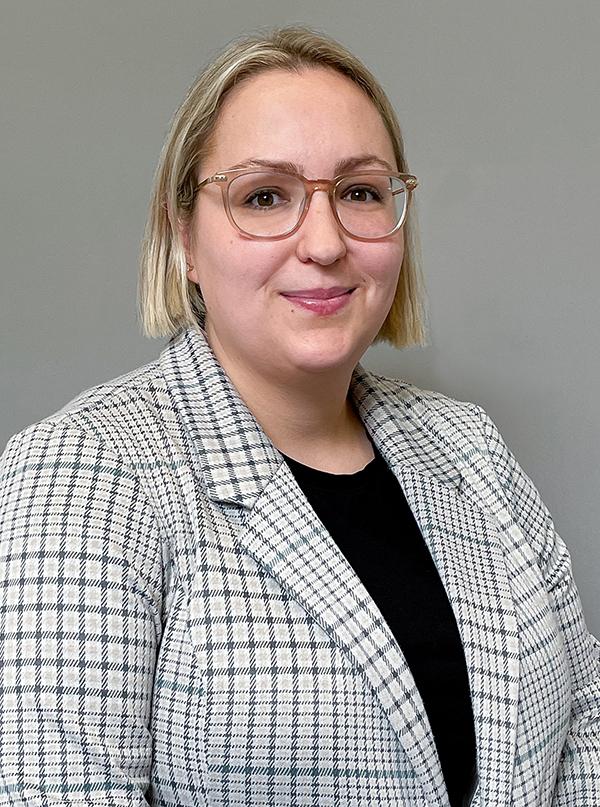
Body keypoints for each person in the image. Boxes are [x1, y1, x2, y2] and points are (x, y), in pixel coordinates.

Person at [0, 25, 598, 807]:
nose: (324, 242)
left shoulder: (468, 446)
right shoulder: (84, 474)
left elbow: (586, 716)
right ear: (184, 236)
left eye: (358, 192)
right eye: (264, 196)